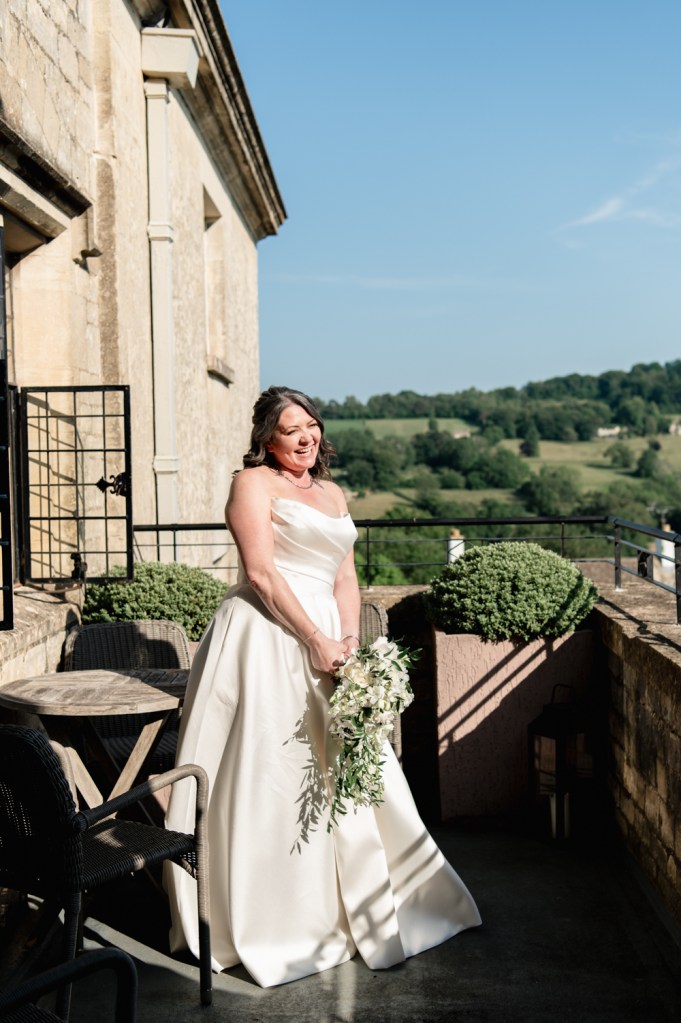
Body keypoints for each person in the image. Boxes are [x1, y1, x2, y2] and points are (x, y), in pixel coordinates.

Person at [165, 386, 481, 988]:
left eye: (311, 425)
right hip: (267, 635)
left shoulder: (333, 493)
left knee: (349, 768)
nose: (306, 437)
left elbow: (345, 574)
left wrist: (348, 645)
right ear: (267, 439)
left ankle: (362, 901)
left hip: (331, 643)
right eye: (292, 430)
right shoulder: (251, 485)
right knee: (272, 769)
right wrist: (311, 637)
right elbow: (260, 572)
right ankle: (269, 918)